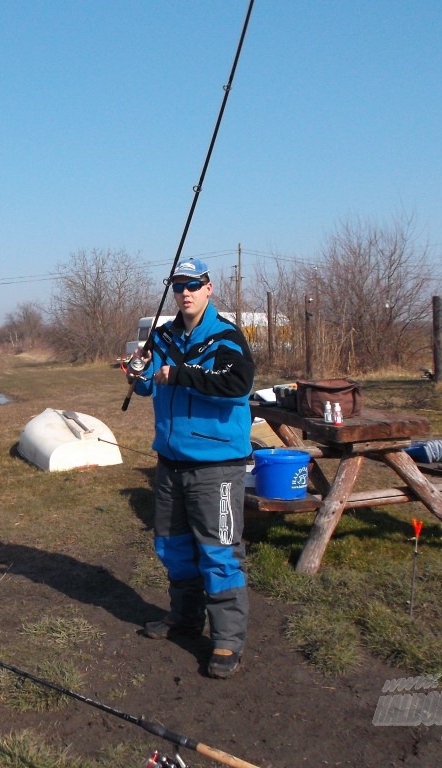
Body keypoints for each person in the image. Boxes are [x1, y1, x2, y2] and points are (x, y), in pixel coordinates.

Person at [127, 258, 255, 679]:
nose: (185, 293)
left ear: (209, 289)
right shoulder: (161, 335)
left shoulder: (226, 337)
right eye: (179, 286)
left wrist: (179, 374)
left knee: (219, 552)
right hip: (170, 462)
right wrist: (138, 371)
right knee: (172, 547)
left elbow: (236, 384)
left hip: (216, 467)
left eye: (193, 286)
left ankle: (226, 640)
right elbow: (147, 384)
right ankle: (184, 618)